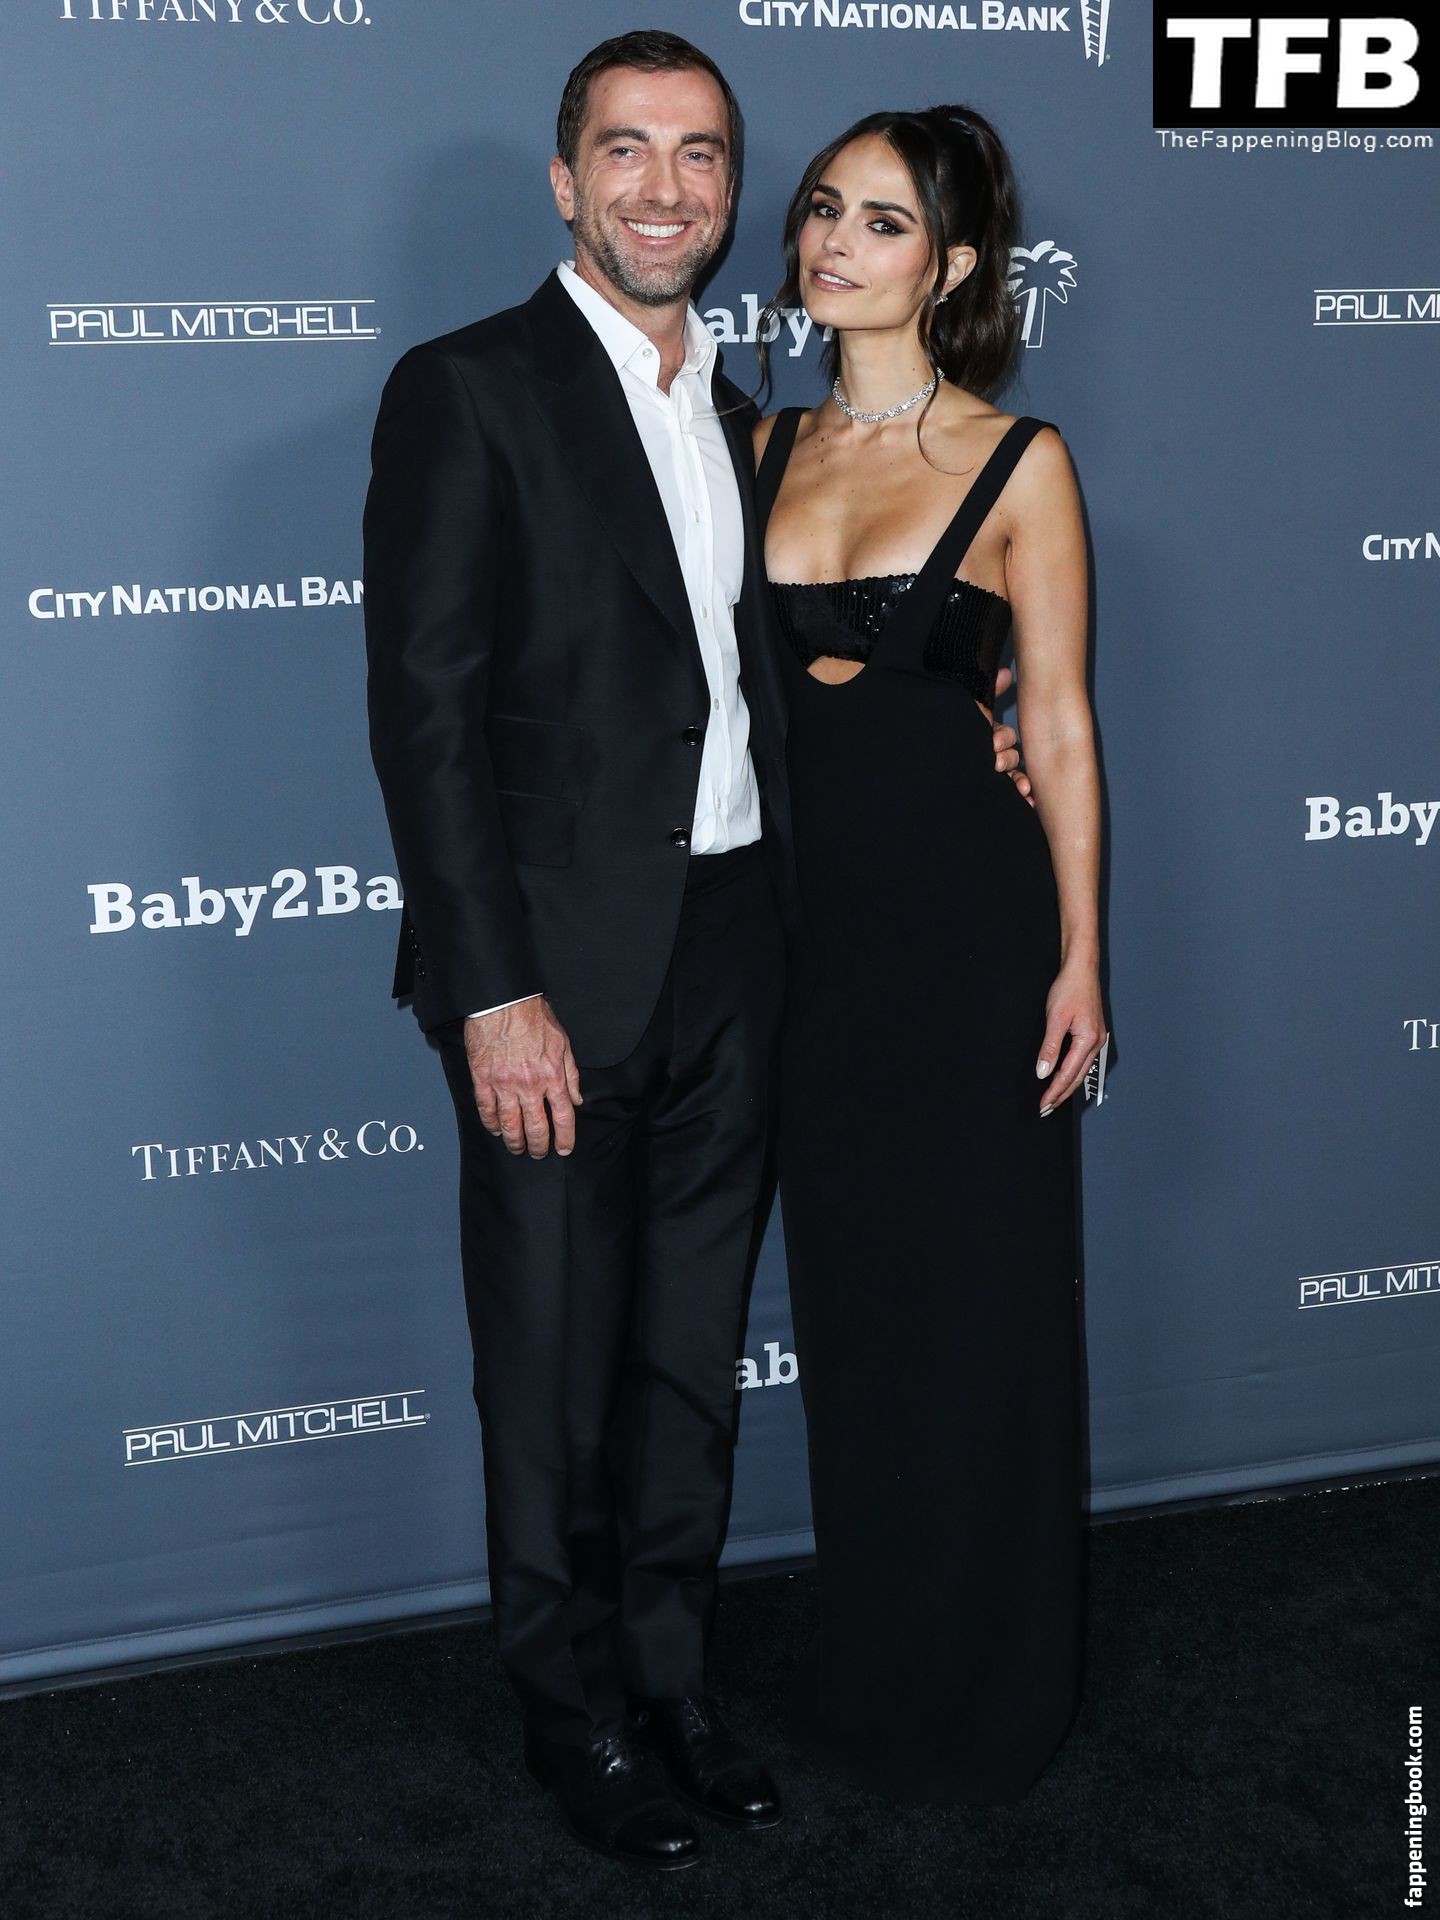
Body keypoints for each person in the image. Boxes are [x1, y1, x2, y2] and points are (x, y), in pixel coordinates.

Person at [363, 34, 1030, 1868]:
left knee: (684, 1359)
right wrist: (493, 991)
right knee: (552, 1370)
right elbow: (425, 721)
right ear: (565, 180)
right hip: (551, 975)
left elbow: (817, 661)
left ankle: (670, 1683)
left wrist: (986, 713)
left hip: (743, 946)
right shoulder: (467, 390)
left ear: (733, 194)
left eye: (704, 156)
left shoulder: (750, 419)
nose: (666, 189)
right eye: (627, 150)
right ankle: (569, 1713)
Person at [752, 104, 1105, 1804]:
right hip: (804, 957)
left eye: (883, 222)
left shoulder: (1022, 461)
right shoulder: (752, 446)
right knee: (861, 1314)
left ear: (953, 265)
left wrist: (1083, 959)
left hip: (972, 944)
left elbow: (1065, 725)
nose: (836, 242)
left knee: (983, 1310)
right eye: (826, 207)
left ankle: (995, 1686)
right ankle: (875, 1662)